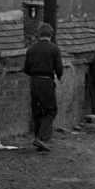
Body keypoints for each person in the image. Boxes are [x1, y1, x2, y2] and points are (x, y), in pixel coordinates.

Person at [23, 23, 64, 152]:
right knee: (51, 111)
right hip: (46, 82)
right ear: (51, 35)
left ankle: (38, 140)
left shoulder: (31, 49)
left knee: (37, 113)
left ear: (38, 35)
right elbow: (59, 69)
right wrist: (58, 75)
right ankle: (40, 138)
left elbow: (26, 69)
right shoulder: (54, 49)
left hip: (34, 82)